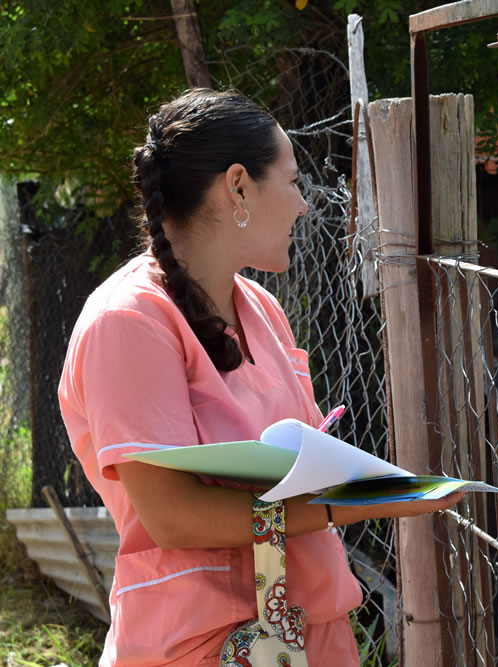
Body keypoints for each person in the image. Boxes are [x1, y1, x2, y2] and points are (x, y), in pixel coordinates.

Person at [58, 88, 462, 666]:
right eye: (293, 180)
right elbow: (172, 517)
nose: (303, 204)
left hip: (307, 630)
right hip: (204, 644)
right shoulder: (128, 320)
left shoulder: (262, 309)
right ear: (239, 185)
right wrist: (360, 503)